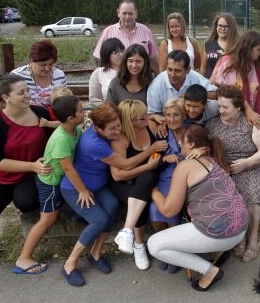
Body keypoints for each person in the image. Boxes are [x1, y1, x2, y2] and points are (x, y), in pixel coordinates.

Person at [59, 103, 156, 287]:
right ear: (97, 128)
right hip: (76, 189)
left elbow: (134, 116)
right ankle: (70, 263)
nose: (118, 130)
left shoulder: (109, 132)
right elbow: (125, 164)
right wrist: (150, 151)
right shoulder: (94, 144)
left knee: (112, 205)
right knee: (100, 220)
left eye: (119, 125)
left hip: (98, 186)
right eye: (112, 129)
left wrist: (155, 118)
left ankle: (95, 254)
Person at [147, 125, 248, 292]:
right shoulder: (212, 159)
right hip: (240, 229)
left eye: (182, 140)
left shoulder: (185, 167)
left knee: (154, 245)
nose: (179, 142)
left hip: (218, 233)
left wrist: (152, 191)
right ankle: (220, 251)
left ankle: (209, 271)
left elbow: (168, 210)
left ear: (192, 145)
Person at [0, 74, 52, 269]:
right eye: (21, 92)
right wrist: (31, 165)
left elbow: (58, 134)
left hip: (33, 174)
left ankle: (19, 199)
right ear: (6, 97)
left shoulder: (40, 113)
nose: (27, 95)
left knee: (26, 202)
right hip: (6, 174)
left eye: (28, 91)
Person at [14, 95, 84, 275]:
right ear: (71, 117)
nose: (85, 113)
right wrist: (82, 190)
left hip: (58, 180)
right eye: (81, 111)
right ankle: (24, 257)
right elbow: (68, 169)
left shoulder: (74, 130)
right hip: (50, 183)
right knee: (48, 219)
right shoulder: (61, 139)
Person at [206, 86, 260, 263]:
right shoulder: (212, 125)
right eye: (219, 106)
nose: (221, 110)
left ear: (238, 107)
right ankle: (239, 235)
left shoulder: (253, 122)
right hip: (224, 169)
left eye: (225, 107)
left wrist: (247, 163)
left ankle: (253, 238)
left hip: (251, 166)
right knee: (226, 196)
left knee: (252, 195)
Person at [110, 100, 167, 270]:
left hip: (145, 179)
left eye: (145, 113)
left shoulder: (149, 123)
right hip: (124, 180)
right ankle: (139, 244)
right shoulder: (120, 139)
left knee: (147, 178)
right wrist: (148, 160)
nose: (145, 117)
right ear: (129, 121)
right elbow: (117, 175)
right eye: (140, 117)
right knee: (136, 199)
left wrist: (159, 119)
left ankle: (127, 233)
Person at [149, 98, 188, 273]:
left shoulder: (191, 132)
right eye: (168, 115)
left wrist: (182, 157)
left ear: (183, 115)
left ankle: (176, 253)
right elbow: (154, 159)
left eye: (176, 115)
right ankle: (164, 250)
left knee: (173, 208)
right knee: (155, 208)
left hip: (186, 177)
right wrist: (164, 159)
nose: (171, 119)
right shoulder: (161, 133)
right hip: (166, 176)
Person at [210, 30, 260, 120]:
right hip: (230, 115)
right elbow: (212, 85)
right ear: (248, 48)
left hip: (255, 113)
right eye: (258, 50)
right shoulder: (227, 62)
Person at [92, 0, 159, 75]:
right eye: (124, 13)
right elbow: (99, 58)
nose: (127, 17)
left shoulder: (146, 31)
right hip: (116, 79)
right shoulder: (108, 32)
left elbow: (154, 60)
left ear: (136, 14)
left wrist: (158, 79)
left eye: (130, 13)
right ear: (118, 13)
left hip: (142, 80)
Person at [146, 50, 216, 118]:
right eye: (170, 69)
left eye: (177, 71)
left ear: (188, 70)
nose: (172, 74)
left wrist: (194, 96)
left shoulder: (195, 77)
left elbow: (216, 94)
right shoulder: (156, 84)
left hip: (195, 120)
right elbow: (152, 114)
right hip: (169, 122)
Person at [11, 39, 67, 108]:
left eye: (51, 64)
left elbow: (65, 102)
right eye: (43, 65)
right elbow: (11, 104)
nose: (47, 69)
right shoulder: (17, 76)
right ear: (31, 60)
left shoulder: (59, 75)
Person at [200, 13, 240, 79]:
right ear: (216, 26)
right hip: (211, 85)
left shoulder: (238, 45)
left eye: (226, 26)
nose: (222, 29)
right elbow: (203, 67)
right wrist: (201, 84)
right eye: (220, 26)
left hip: (230, 86)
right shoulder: (208, 44)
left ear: (232, 28)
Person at [89, 38, 125, 107]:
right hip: (109, 113)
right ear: (107, 55)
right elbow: (93, 99)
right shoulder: (98, 73)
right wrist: (111, 107)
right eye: (115, 52)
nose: (120, 54)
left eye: (122, 51)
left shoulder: (130, 70)